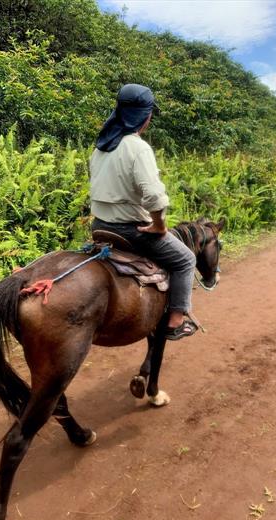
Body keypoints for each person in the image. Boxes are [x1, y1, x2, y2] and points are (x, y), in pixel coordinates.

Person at [89, 83, 198, 341]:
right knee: (185, 260)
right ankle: (175, 321)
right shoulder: (138, 147)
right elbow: (154, 196)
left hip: (100, 226)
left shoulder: (101, 147)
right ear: (145, 117)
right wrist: (159, 225)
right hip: (132, 230)